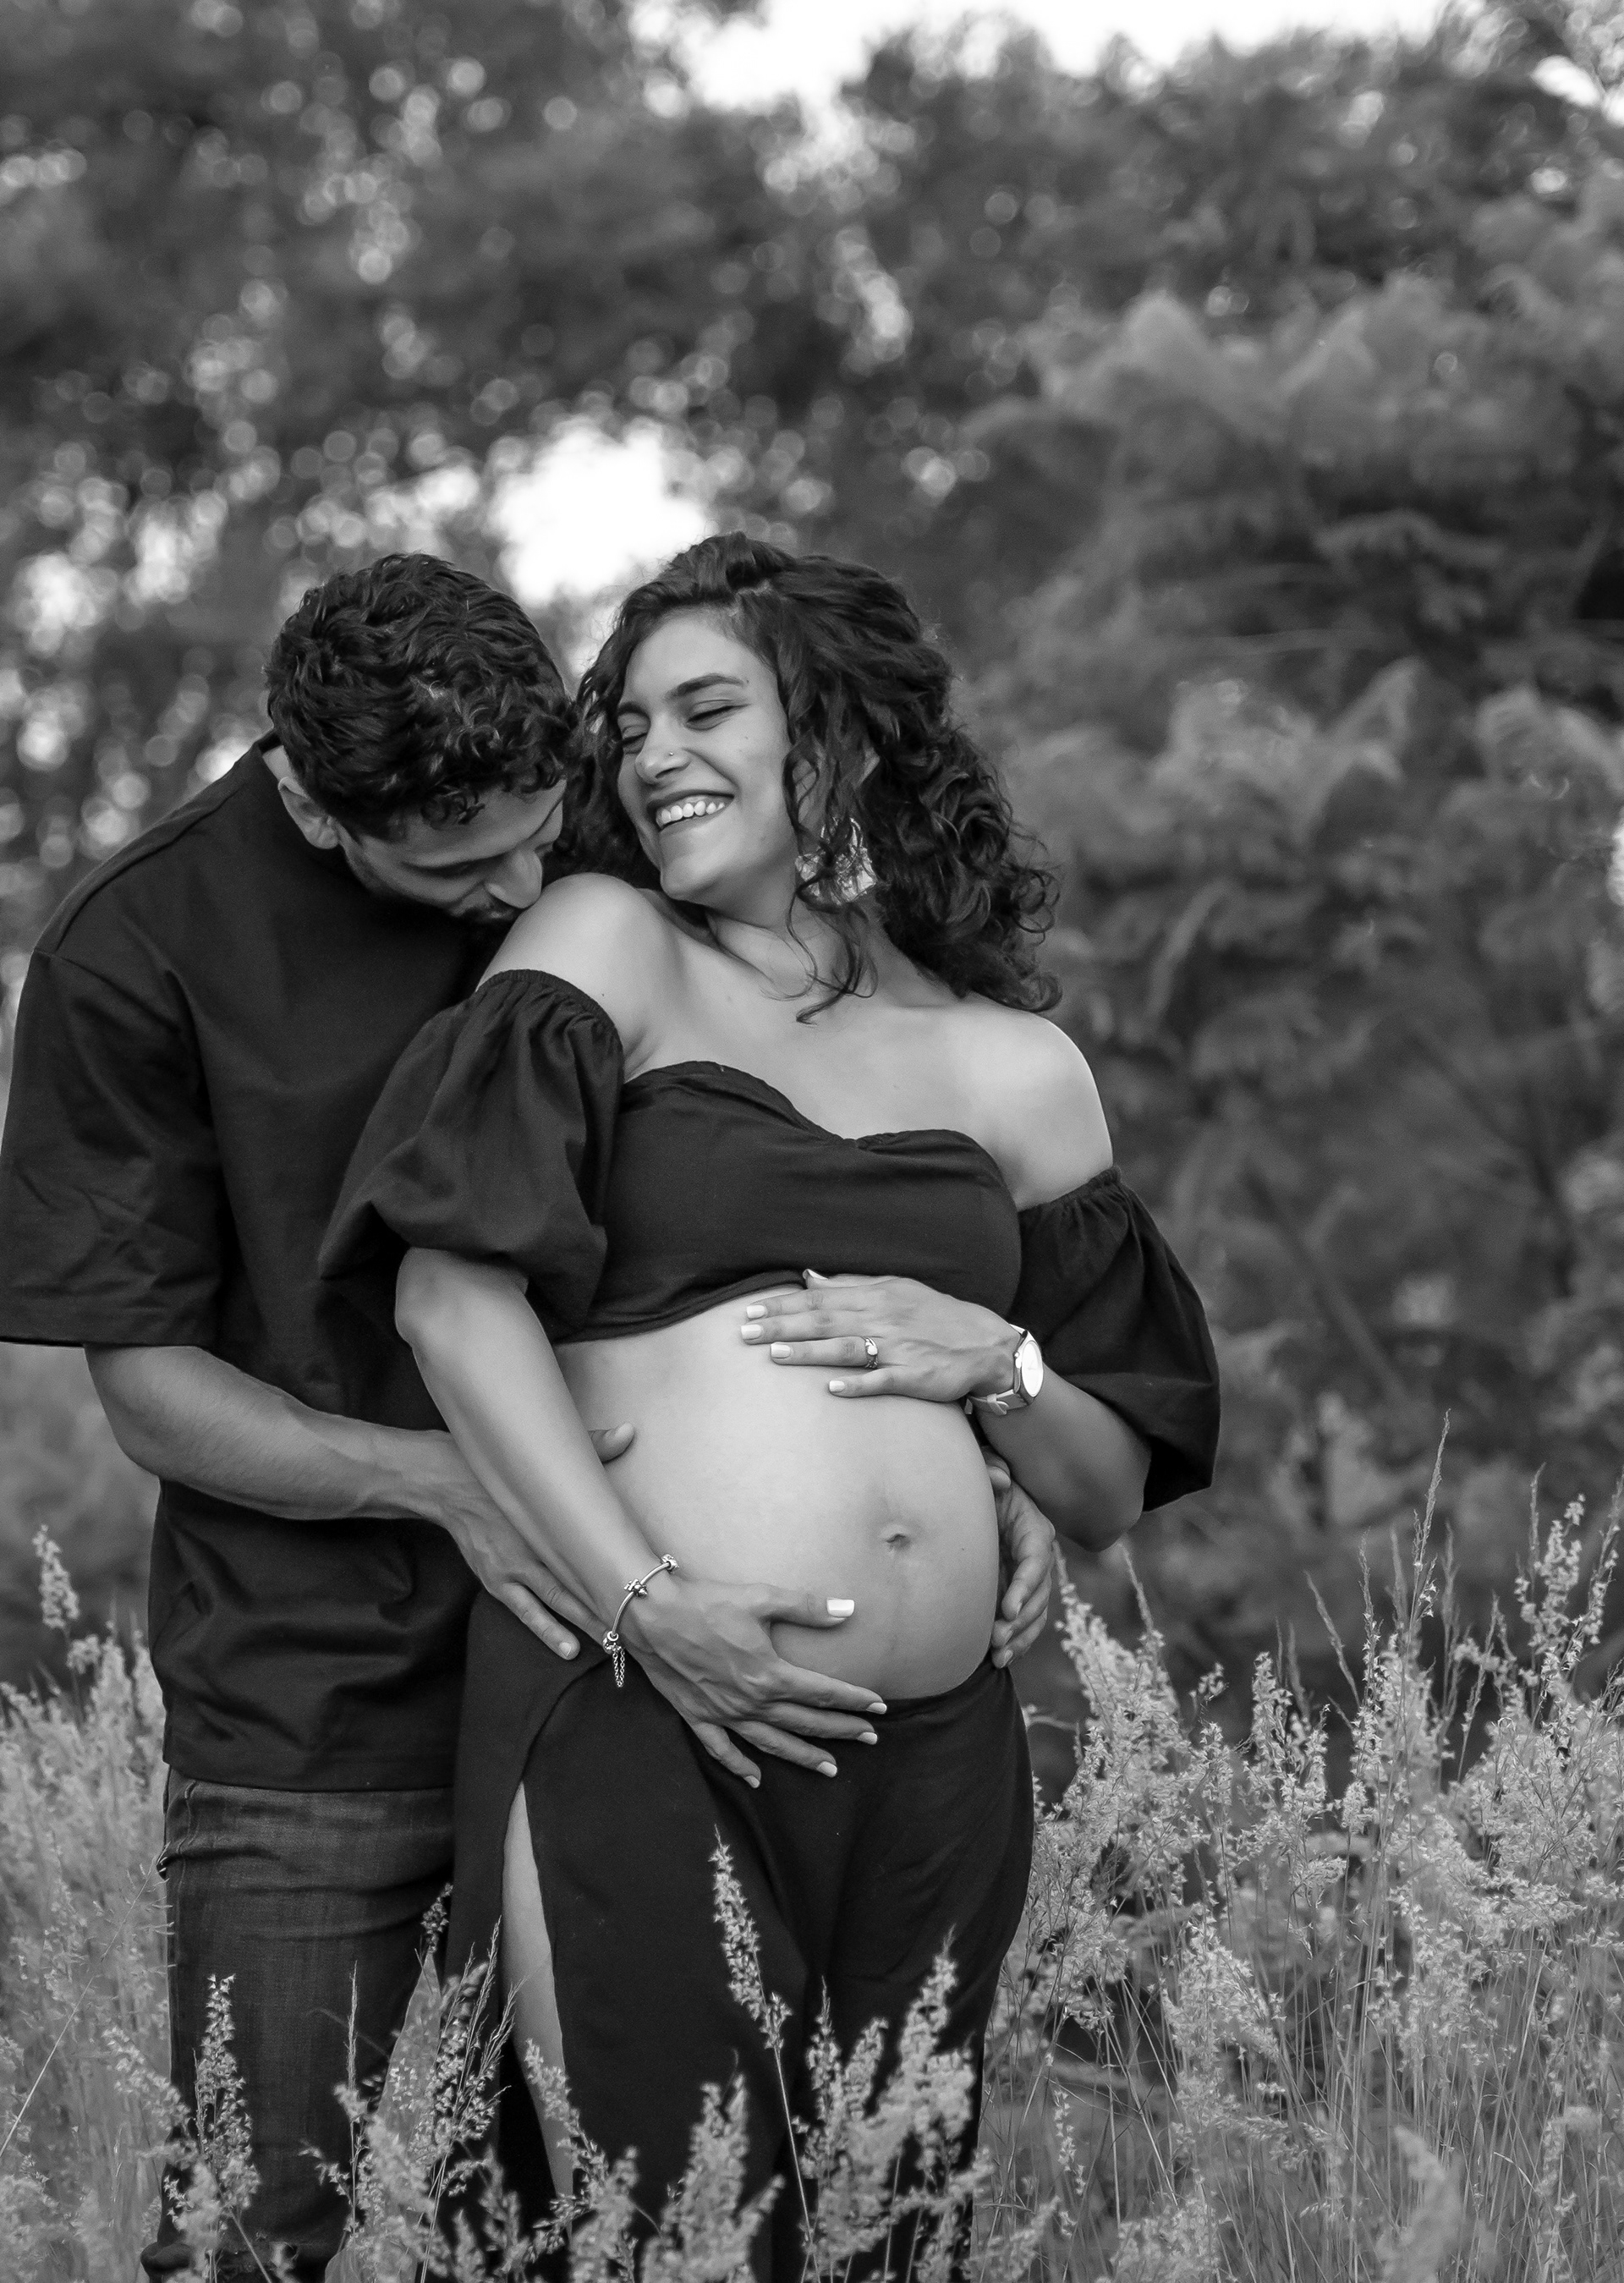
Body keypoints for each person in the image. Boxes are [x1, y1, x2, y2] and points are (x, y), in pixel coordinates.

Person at [0, 548, 1056, 2282]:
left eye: (537, 831)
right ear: (316, 805)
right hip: (323, 1687)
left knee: (634, 2223)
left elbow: (777, 1152)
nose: (518, 889)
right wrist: (450, 1480)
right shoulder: (135, 951)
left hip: (637, 1693)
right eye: (455, 869)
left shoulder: (612, 843)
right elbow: (153, 1390)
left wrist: (967, 1425)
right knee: (261, 2225)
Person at [321, 534, 1220, 2269]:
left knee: (891, 2240)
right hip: (651, 1703)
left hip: (940, 1760)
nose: (651, 756)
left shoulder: (1015, 1065)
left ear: (841, 733)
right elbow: (449, 1295)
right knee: (680, 2234)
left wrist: (996, 1362)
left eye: (706, 708)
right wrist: (647, 1608)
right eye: (631, 727)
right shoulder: (610, 946)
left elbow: (1106, 1487)